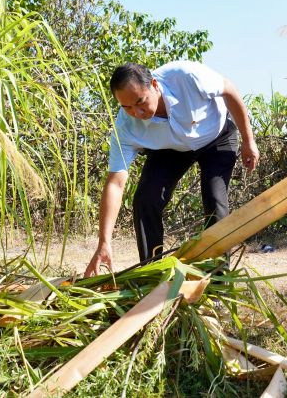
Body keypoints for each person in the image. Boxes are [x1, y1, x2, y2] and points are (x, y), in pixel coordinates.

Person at [83, 61, 259, 276]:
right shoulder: (125, 127)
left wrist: (248, 140)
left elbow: (229, 90)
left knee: (215, 199)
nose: (137, 113)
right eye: (126, 107)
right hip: (171, 148)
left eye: (141, 102)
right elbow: (115, 184)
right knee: (146, 199)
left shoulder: (185, 76)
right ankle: (152, 273)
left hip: (216, 136)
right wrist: (104, 242)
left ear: (154, 85)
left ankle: (218, 281)